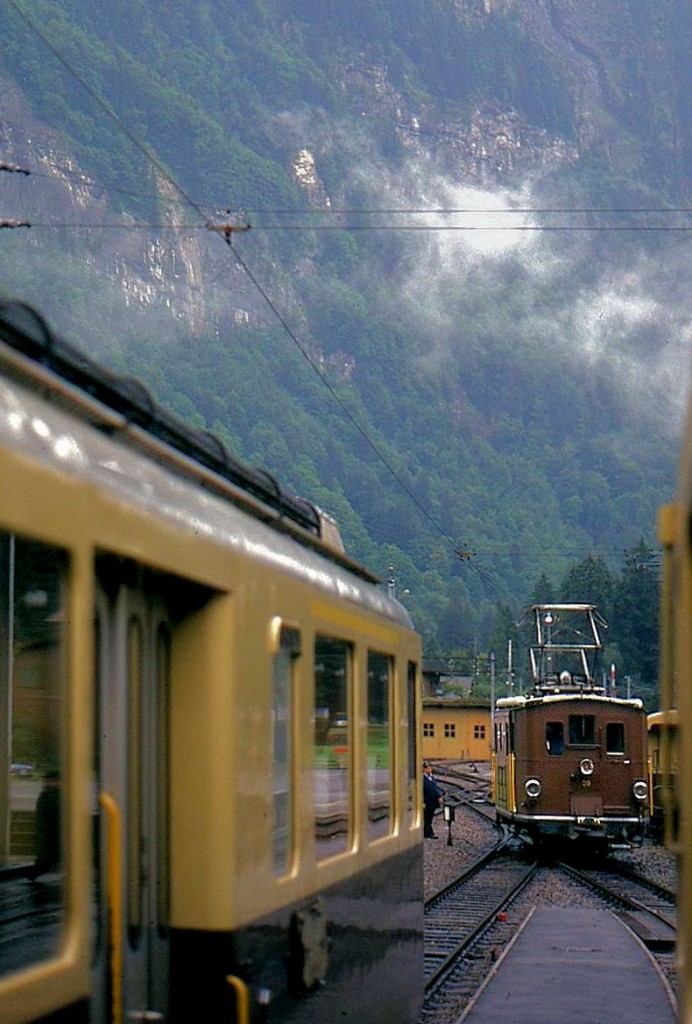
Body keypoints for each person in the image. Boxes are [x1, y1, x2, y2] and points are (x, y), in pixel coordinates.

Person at [423, 761, 443, 838]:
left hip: (433, 802)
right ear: (424, 769)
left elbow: (434, 789)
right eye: (427, 768)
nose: (429, 769)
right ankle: (428, 833)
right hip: (427, 801)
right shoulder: (422, 779)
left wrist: (439, 796)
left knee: (430, 817)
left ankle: (427, 832)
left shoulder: (432, 778)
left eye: (430, 768)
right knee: (427, 818)